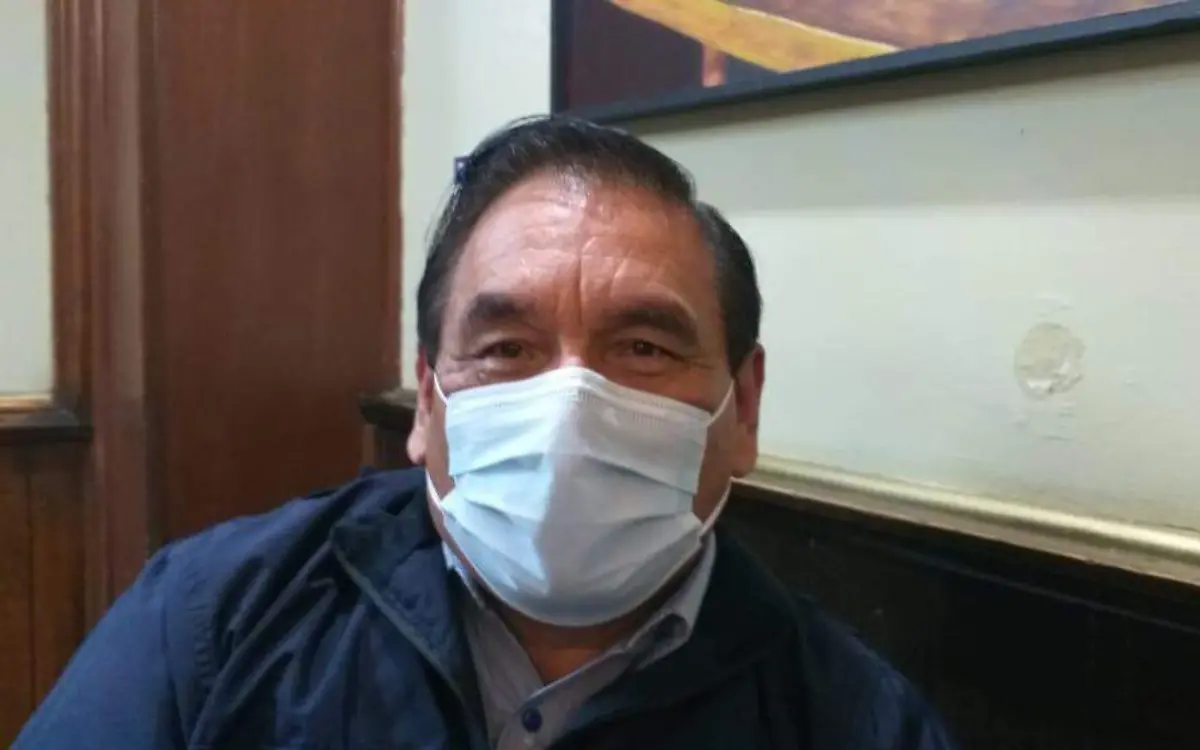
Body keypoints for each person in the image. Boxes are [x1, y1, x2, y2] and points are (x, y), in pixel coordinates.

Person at [16, 116, 955, 750]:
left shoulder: (856, 722)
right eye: (506, 348)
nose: (571, 405)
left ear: (742, 408)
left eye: (642, 347)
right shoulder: (213, 622)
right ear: (428, 403)